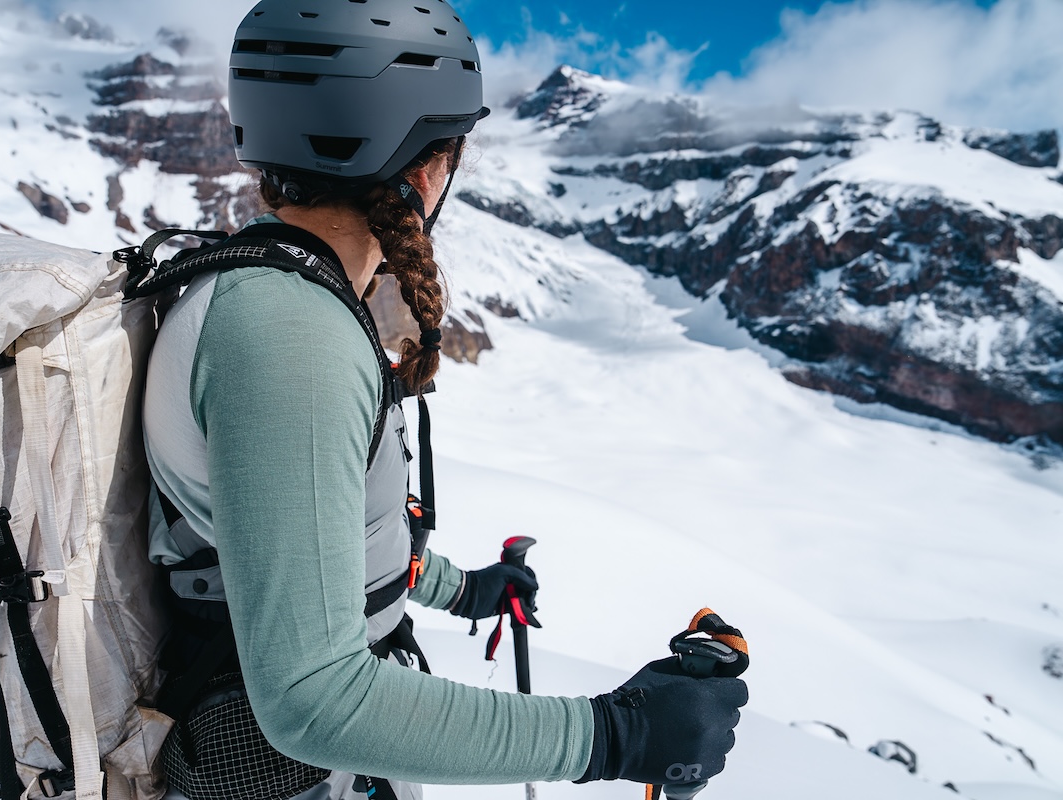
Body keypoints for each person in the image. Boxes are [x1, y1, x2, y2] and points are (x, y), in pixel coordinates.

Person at [141, 1, 748, 799]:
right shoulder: (288, 335)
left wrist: (462, 589)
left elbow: (319, 541)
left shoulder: (282, 301)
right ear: (426, 170)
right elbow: (312, 700)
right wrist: (615, 734)